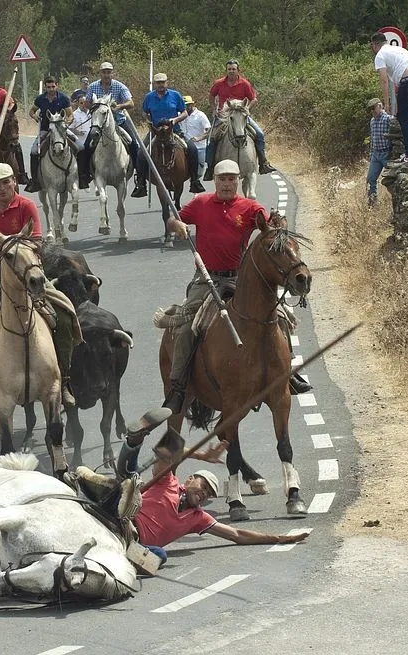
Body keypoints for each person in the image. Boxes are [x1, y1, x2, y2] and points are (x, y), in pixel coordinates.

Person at [161, 159, 311, 412]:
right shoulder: (200, 203)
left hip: (240, 278)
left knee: (282, 316)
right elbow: (173, 220)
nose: (227, 184)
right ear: (215, 181)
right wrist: (178, 225)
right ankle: (178, 386)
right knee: (188, 325)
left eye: (232, 179)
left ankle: (287, 371)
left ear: (238, 181)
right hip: (206, 279)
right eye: (222, 179)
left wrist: (278, 223)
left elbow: (269, 229)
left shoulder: (250, 207)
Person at [74, 408, 310, 557]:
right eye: (203, 485)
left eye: (209, 493)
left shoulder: (198, 518)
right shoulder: (168, 482)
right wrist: (203, 456)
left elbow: (237, 534)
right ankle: (134, 440)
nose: (205, 493)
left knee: (159, 557)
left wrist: (280, 538)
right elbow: (167, 450)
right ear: (188, 480)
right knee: (128, 481)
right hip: (120, 515)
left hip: (133, 540)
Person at [0, 163, 79, 406]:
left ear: (14, 182)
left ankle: (64, 379)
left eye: (6, 182)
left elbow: (37, 243)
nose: (1, 188)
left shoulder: (26, 206)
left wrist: (2, 245)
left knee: (63, 316)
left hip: (30, 273)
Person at [204, 59, 274, 180]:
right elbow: (211, 95)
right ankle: (210, 167)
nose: (231, 71)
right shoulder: (219, 83)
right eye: (229, 69)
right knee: (211, 139)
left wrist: (246, 108)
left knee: (259, 134)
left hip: (241, 115)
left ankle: (263, 163)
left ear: (238, 70)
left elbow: (253, 99)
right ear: (226, 70)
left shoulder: (244, 83)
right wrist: (214, 109)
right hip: (224, 115)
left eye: (233, 69)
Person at [137, 73, 205, 196]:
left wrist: (174, 120)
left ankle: (194, 180)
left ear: (166, 83)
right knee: (141, 152)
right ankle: (141, 183)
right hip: (156, 131)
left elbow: (184, 113)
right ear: (155, 84)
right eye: (158, 83)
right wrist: (148, 121)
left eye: (163, 82)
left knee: (192, 149)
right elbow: (144, 113)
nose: (161, 85)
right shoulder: (149, 97)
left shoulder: (175, 95)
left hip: (174, 130)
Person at [81, 62, 139, 192]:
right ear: (100, 73)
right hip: (99, 124)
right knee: (86, 146)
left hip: (118, 121)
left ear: (112, 73)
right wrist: (96, 107)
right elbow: (86, 103)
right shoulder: (93, 86)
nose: (106, 75)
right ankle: (85, 175)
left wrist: (119, 107)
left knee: (135, 145)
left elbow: (131, 103)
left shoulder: (119, 86)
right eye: (104, 72)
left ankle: (139, 178)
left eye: (109, 72)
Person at [371, 32, 408, 162]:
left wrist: (386, 103)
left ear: (375, 44)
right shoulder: (399, 49)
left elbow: (384, 80)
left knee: (402, 117)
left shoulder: (380, 55)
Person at [25, 76, 72, 193]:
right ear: (45, 87)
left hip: (61, 130)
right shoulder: (40, 99)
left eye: (53, 86)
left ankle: (81, 176)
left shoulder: (64, 99)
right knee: (34, 152)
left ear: (57, 86)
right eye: (48, 87)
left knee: (80, 146)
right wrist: (36, 117)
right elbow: (32, 111)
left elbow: (70, 114)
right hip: (45, 130)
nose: (51, 89)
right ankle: (35, 181)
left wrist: (68, 121)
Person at [366, 98, 392, 207]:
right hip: (376, 154)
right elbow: (373, 138)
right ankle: (373, 203)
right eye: (370, 110)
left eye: (374, 108)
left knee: (393, 179)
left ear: (380, 106)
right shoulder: (372, 121)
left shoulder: (388, 119)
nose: (372, 111)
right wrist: (371, 153)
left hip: (387, 153)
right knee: (371, 179)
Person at [68, 91, 93, 189]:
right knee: (83, 152)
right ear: (78, 103)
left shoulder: (91, 113)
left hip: (92, 140)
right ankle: (82, 176)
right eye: (81, 103)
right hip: (80, 141)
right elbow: (68, 128)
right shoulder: (74, 115)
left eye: (85, 103)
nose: (84, 105)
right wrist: (77, 132)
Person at [181, 95, 211, 174]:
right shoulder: (181, 115)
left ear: (192, 105)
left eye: (187, 105)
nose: (186, 107)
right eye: (184, 105)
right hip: (184, 147)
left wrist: (199, 138)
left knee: (198, 173)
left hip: (199, 147)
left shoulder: (200, 115)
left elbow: (209, 130)